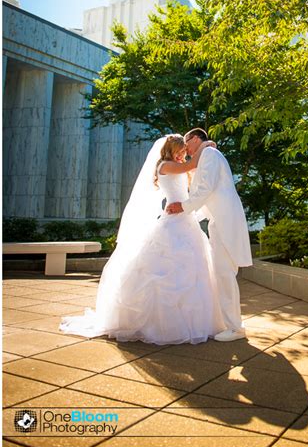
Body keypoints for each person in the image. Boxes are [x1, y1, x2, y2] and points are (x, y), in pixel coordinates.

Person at [60, 134, 225, 345]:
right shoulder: (164, 166)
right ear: (171, 149)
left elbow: (197, 170)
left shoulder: (178, 165)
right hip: (173, 220)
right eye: (181, 150)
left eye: (184, 151)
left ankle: (198, 321)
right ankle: (160, 326)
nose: (184, 154)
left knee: (195, 269)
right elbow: (194, 164)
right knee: (164, 271)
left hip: (186, 220)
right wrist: (206, 145)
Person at [167, 128, 253, 342]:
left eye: (187, 142)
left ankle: (235, 328)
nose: (185, 148)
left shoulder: (210, 155)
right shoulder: (207, 154)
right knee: (223, 274)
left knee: (224, 274)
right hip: (218, 221)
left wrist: (183, 208)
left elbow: (205, 188)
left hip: (225, 221)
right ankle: (232, 323)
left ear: (196, 138)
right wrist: (189, 217)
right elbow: (205, 192)